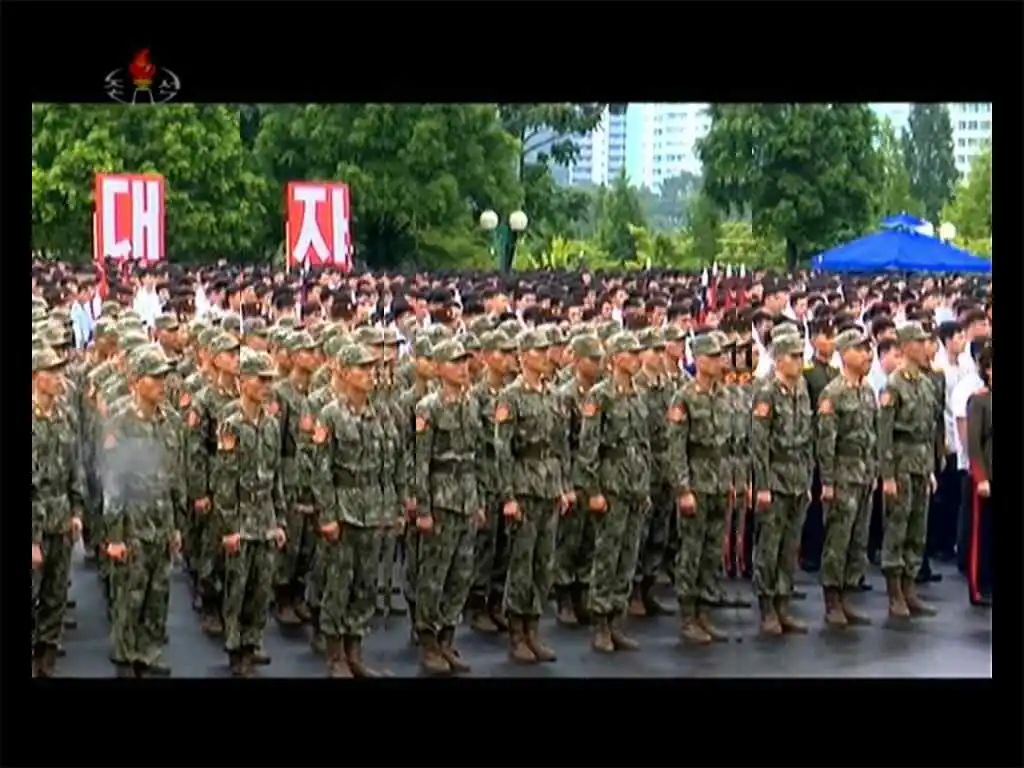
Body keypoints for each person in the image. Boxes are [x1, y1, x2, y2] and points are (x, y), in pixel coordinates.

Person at [313, 343, 396, 678]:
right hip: (344, 508)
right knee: (339, 581)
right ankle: (335, 653)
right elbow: (321, 469)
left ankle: (355, 649)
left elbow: (388, 465)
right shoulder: (330, 414)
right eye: (362, 368)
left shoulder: (381, 414)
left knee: (365, 583)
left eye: (372, 368)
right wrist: (327, 514)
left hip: (373, 506)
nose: (370, 374)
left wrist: (390, 506)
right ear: (345, 373)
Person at [102, 345, 185, 676]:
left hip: (161, 520)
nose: (162, 383)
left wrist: (175, 526)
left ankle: (149, 650)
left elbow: (175, 477)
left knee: (158, 592)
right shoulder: (119, 421)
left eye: (165, 377)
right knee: (129, 595)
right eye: (155, 377)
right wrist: (114, 536)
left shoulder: (171, 421)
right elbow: (112, 481)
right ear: (136, 381)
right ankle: (125, 656)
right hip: (132, 522)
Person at [495, 329, 568, 663]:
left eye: (545, 350)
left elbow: (560, 445)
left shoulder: (553, 395)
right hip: (524, 485)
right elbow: (503, 450)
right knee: (521, 563)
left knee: (544, 563)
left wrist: (563, 486)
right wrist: (508, 496)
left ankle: (534, 629)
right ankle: (516, 632)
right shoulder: (510, 397)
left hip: (549, 485)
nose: (545, 356)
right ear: (523, 356)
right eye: (538, 351)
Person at [575, 331, 651, 653]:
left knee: (628, 556)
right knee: (607, 555)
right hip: (611, 485)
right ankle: (601, 624)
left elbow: (643, 444)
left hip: (634, 485)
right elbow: (588, 447)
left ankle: (617, 619)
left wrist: (645, 486)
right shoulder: (599, 396)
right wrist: (593, 490)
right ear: (617, 357)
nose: (637, 359)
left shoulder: (637, 394)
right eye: (631, 353)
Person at [414, 339, 484, 674]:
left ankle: (447, 638)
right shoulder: (428, 408)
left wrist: (478, 501)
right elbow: (421, 461)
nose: (462, 368)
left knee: (461, 573)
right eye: (455, 362)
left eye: (464, 362)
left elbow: (476, 456)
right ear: (440, 368)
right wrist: (423, 509)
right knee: (434, 575)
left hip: (466, 497)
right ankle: (428, 641)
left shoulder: (472, 404)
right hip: (441, 499)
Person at [216, 350, 288, 676]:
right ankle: (235, 649)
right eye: (261, 380)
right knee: (238, 588)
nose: (267, 386)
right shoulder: (231, 426)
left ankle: (253, 642)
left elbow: (276, 476)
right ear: (244, 381)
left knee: (261, 588)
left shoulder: (271, 425)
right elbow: (225, 480)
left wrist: (280, 520)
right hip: (242, 517)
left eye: (270, 380)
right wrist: (229, 527)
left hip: (265, 517)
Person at [666, 333, 732, 644]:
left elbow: (729, 444)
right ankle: (688, 616)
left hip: (718, 482)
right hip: (696, 482)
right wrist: (683, 489)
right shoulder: (684, 398)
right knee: (691, 552)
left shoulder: (723, 395)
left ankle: (705, 611)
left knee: (712, 552)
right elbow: (676, 448)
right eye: (714, 357)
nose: (720, 362)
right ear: (700, 360)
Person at [749, 333, 814, 636]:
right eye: (793, 356)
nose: (799, 362)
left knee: (790, 547)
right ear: (778, 360)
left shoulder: (802, 389)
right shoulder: (766, 393)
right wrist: (762, 485)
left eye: (801, 356)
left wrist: (808, 479)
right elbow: (759, 444)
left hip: (798, 478)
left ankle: (783, 602)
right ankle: (767, 607)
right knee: (770, 546)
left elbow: (808, 438)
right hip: (775, 477)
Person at [877, 322, 939, 622]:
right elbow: (885, 434)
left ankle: (909, 586)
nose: (925, 346)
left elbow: (930, 430)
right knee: (897, 527)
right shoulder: (893, 385)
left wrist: (931, 468)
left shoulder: (926, 383)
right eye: (919, 341)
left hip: (921, 461)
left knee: (917, 527)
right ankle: (894, 593)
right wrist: (887, 475)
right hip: (901, 462)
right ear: (905, 347)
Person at [814, 329, 876, 628]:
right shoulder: (833, 393)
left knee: (858, 540)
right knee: (838, 540)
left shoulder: (867, 391)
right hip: (842, 475)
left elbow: (873, 435)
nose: (867, 355)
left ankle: (848, 594)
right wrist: (827, 482)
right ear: (844, 353)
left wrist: (874, 470)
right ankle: (832, 600)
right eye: (860, 349)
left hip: (864, 474)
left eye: (867, 349)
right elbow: (826, 442)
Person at [32, 346, 84, 677]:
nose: (57, 378)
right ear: (35, 378)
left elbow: (74, 467)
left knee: (55, 595)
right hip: (35, 523)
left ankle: (47, 657)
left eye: (59, 371)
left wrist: (77, 511)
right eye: (50, 372)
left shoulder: (65, 416)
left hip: (61, 519)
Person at [552, 334, 603, 626]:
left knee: (589, 538)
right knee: (568, 540)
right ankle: (564, 598)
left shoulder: (600, 393)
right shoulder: (566, 395)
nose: (597, 365)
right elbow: (560, 443)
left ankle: (583, 593)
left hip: (592, 472)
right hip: (572, 470)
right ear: (578, 360)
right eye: (592, 359)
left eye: (599, 359)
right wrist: (564, 484)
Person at [965, 344, 992, 606]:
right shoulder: (979, 401)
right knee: (982, 533)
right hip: (987, 476)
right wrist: (981, 476)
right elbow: (974, 442)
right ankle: (979, 586)